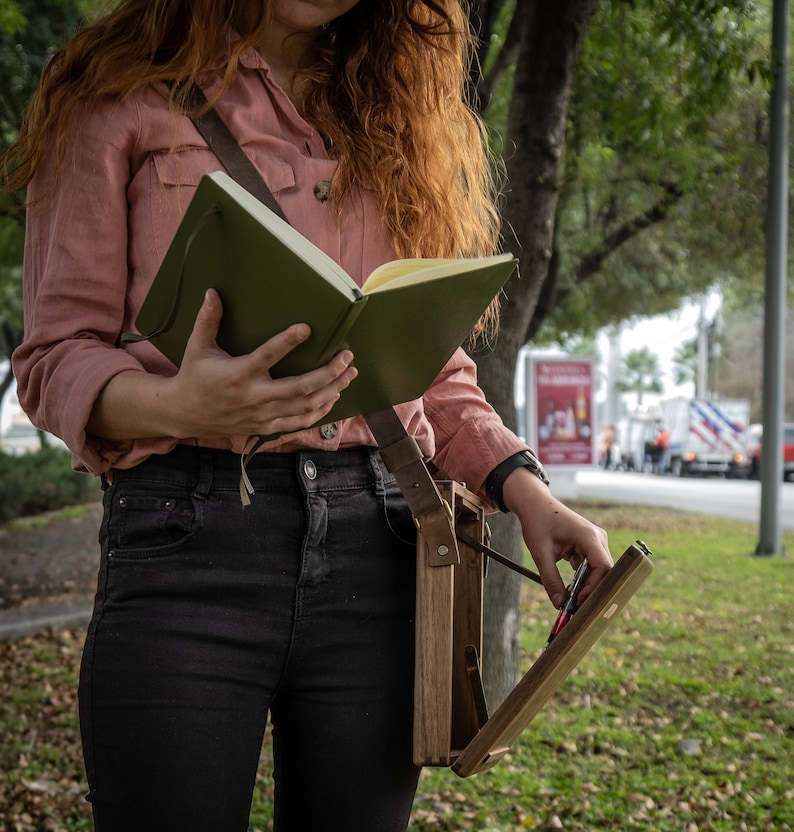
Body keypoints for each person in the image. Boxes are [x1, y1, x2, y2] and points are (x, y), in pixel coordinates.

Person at [2, 2, 613, 830]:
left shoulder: (394, 110)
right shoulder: (112, 91)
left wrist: (524, 487)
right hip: (186, 542)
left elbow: (424, 365)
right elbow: (54, 355)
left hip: (382, 544)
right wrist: (179, 403)